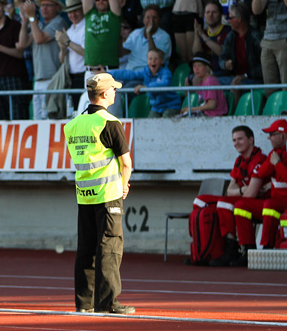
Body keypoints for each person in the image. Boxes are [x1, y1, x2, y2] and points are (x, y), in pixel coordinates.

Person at [65, 73, 134, 315]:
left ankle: (84, 303)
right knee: (109, 247)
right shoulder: (110, 122)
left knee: (86, 248)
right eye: (113, 89)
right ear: (105, 94)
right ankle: (108, 302)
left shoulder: (72, 125)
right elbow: (126, 163)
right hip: (108, 194)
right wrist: (124, 185)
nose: (115, 92)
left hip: (84, 194)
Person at [194, 125, 267, 267]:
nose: (236, 143)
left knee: (226, 204)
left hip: (261, 203)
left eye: (240, 139)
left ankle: (232, 249)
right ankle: (205, 250)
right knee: (200, 201)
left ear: (251, 139)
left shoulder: (260, 159)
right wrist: (241, 190)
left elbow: (251, 194)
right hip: (244, 198)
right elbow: (230, 190)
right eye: (234, 140)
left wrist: (240, 191)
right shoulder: (239, 160)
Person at [232, 119, 286, 266]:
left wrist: (278, 163)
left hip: (281, 203)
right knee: (241, 205)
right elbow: (262, 172)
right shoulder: (274, 154)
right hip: (277, 202)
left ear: (283, 135)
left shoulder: (278, 157)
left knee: (269, 204)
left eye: (273, 134)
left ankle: (267, 248)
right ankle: (247, 250)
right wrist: (273, 158)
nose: (269, 138)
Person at [109, 49, 181, 117]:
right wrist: (108, 73)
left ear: (162, 61)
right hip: (156, 107)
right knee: (150, 124)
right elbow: (130, 74)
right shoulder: (145, 72)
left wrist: (147, 88)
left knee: (166, 120)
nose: (153, 61)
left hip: (171, 106)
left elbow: (165, 83)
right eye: (150, 59)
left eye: (156, 59)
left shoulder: (166, 72)